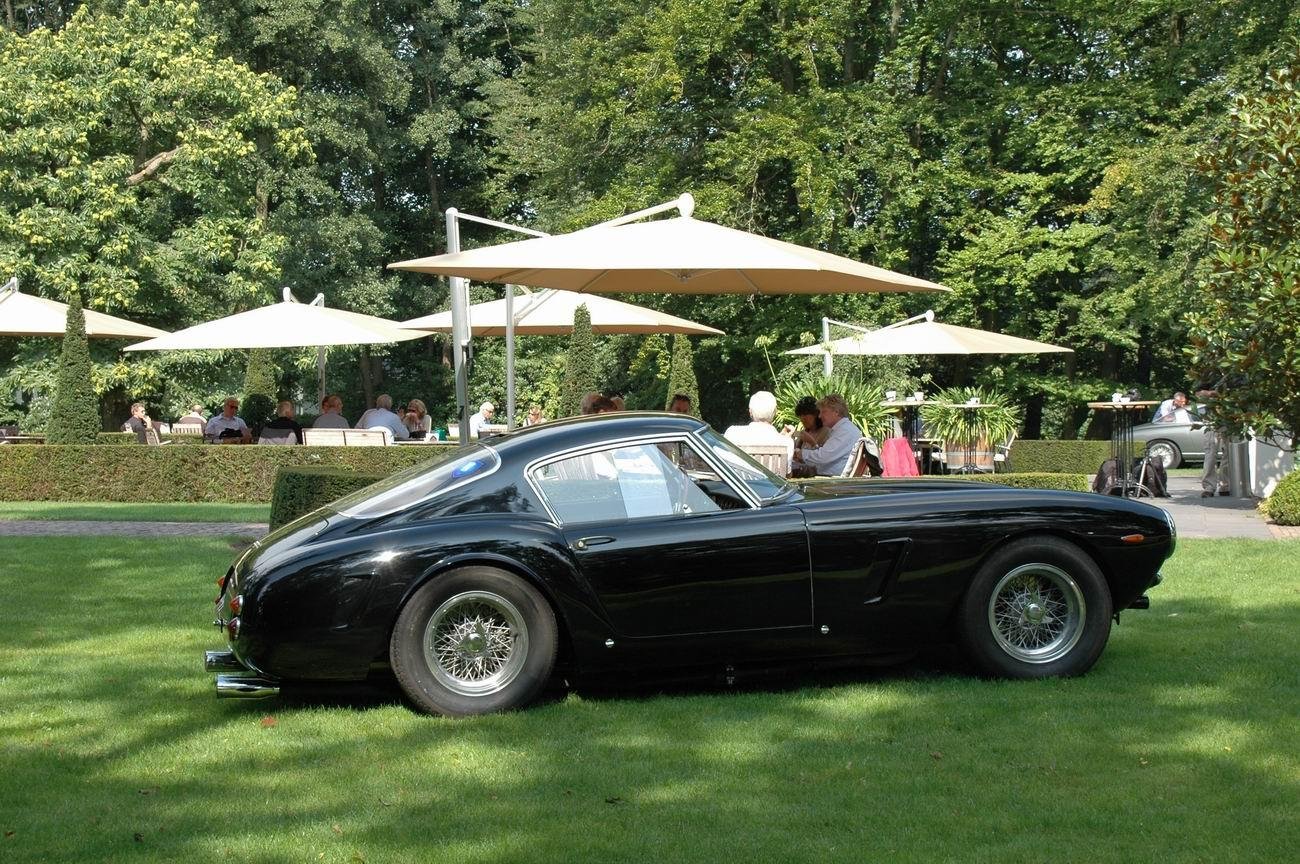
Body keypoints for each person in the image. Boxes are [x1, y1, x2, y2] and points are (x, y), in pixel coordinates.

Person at [792, 394, 862, 476]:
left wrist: (799, 453)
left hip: (833, 481)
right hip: (828, 477)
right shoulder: (841, 429)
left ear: (836, 412)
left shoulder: (845, 430)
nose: (819, 416)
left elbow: (823, 457)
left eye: (823, 412)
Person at [725, 390, 795, 464]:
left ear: (750, 412)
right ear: (775, 412)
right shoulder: (787, 442)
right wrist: (783, 437)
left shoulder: (732, 433)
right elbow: (787, 470)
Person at [1194, 384, 1230, 497]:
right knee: (1210, 453)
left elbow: (1237, 395)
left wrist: (1214, 394)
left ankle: (1225, 485)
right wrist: (1208, 394)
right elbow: (1198, 393)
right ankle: (1209, 487)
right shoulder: (1209, 377)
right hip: (1212, 419)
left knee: (1229, 454)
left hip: (1229, 419)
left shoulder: (1233, 377)